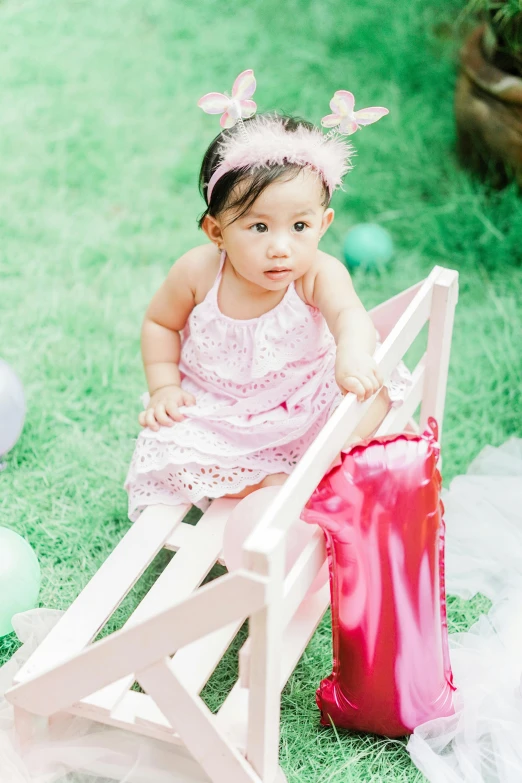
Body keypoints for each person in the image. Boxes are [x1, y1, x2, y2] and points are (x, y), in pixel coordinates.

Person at [124, 71, 411, 521]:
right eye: (258, 227)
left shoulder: (316, 273)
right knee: (167, 444)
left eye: (300, 226)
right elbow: (161, 323)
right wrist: (164, 387)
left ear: (324, 223)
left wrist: (352, 356)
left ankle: (319, 466)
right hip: (221, 409)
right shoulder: (198, 272)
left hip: (304, 393)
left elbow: (350, 316)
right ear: (216, 231)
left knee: (370, 398)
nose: (281, 246)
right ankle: (272, 484)